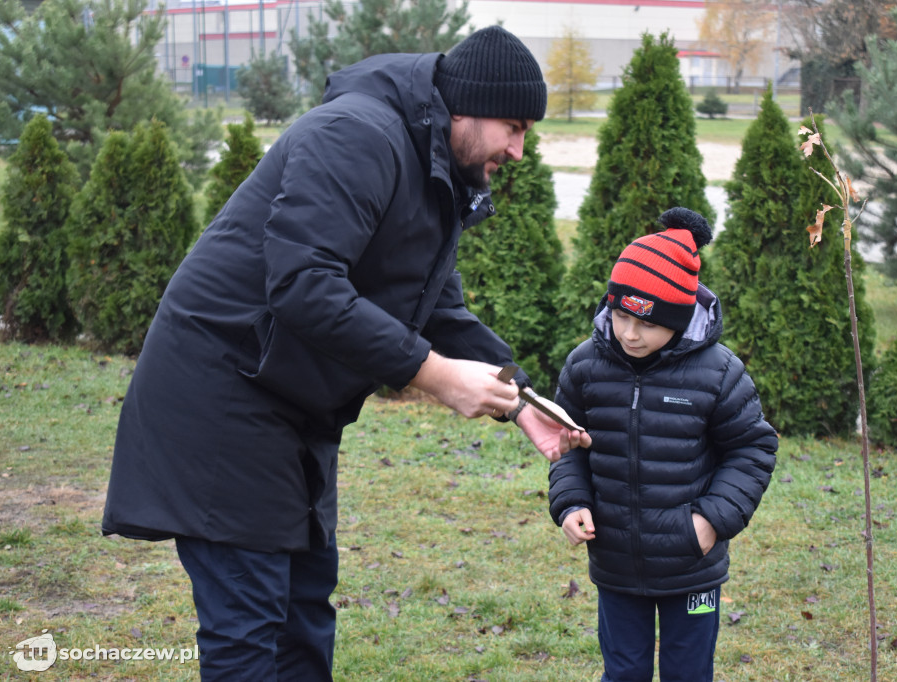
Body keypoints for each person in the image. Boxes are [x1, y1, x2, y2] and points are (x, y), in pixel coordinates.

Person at [101, 26, 589, 680]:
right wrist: (435, 377)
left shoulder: (433, 167)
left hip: (290, 410)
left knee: (303, 617)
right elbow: (303, 284)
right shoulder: (358, 136)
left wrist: (521, 401)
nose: (519, 149)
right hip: (220, 397)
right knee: (249, 634)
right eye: (513, 126)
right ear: (464, 106)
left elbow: (439, 311)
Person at [547, 207, 778, 682]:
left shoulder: (718, 373)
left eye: (647, 324)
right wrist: (571, 503)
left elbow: (752, 449)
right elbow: (567, 445)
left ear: (679, 317)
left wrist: (711, 521)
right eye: (620, 315)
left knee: (688, 673)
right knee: (624, 672)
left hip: (691, 562)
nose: (630, 333)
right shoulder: (585, 366)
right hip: (615, 563)